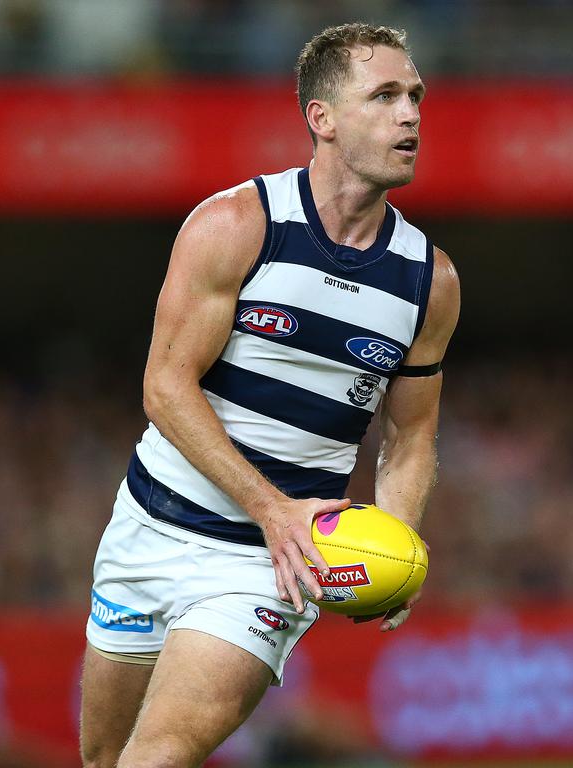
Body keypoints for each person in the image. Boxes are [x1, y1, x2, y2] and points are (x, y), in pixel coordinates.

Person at [79, 22, 460, 768]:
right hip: (148, 529)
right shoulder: (235, 225)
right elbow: (165, 386)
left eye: (414, 95)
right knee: (103, 756)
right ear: (322, 119)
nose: (411, 113)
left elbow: (411, 437)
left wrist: (398, 542)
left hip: (270, 564)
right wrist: (269, 504)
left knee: (159, 755)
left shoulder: (428, 280)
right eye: (384, 95)